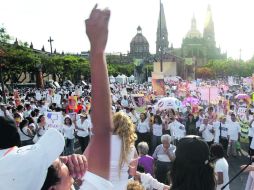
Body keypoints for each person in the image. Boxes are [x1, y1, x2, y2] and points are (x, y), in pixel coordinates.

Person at [110, 112, 138, 189]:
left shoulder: (102, 140)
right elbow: (132, 172)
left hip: (104, 184)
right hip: (122, 184)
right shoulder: (130, 144)